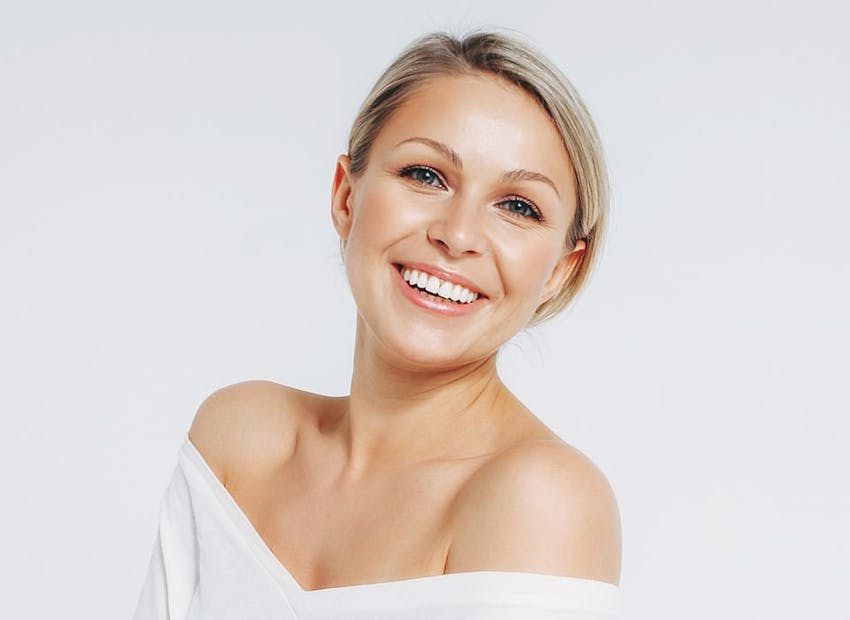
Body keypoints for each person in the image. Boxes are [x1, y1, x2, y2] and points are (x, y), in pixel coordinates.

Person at [134, 30, 622, 619]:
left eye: (518, 206)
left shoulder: (539, 498)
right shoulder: (240, 439)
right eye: (425, 175)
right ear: (346, 196)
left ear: (560, 272)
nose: (458, 234)